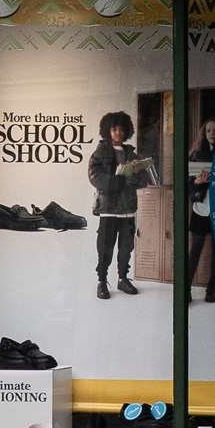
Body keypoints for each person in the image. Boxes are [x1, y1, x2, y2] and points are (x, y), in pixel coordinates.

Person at [89, 110, 143, 299]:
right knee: (105, 247)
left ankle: (122, 279)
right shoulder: (101, 152)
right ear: (107, 131)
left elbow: (142, 181)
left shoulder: (132, 153)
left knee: (127, 246)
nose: (118, 132)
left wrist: (136, 173)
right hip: (108, 209)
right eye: (114, 129)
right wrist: (116, 181)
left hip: (128, 208)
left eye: (121, 129)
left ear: (127, 130)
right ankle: (102, 282)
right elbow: (94, 176)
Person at [186, 117, 215, 302]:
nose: (212, 134)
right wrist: (197, 182)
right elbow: (188, 184)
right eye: (208, 131)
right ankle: (186, 288)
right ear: (204, 132)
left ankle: (212, 287)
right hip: (202, 208)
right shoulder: (196, 154)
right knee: (195, 250)